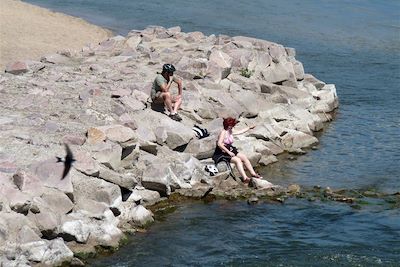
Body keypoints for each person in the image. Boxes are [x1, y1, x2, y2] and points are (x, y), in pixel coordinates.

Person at [212, 117, 263, 184]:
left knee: (244, 157)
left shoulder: (230, 130)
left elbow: (239, 132)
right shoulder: (223, 132)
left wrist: (249, 128)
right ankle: (245, 178)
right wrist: (229, 152)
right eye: (231, 125)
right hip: (222, 153)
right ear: (227, 125)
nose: (232, 127)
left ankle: (253, 174)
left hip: (230, 149)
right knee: (237, 160)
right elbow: (219, 144)